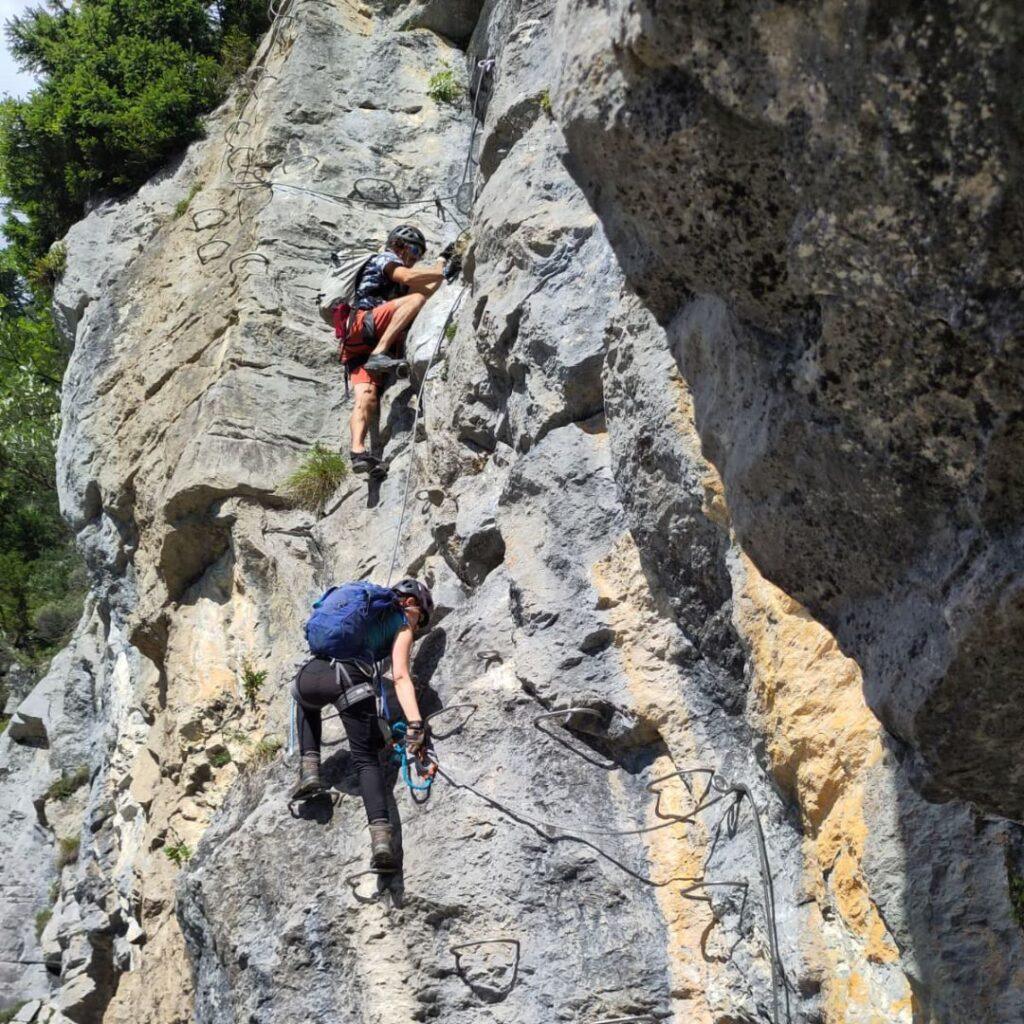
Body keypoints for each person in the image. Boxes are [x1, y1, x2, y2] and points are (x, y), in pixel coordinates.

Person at [291, 578, 434, 871]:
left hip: (310, 676)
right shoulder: (402, 620)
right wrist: (415, 724)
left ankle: (309, 772)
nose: (417, 628)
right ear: (410, 603)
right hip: (349, 681)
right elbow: (400, 675)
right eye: (420, 618)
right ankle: (382, 846)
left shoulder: (364, 610)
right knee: (366, 761)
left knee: (305, 702)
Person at [345, 225, 461, 476]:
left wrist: (444, 269)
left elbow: (426, 288)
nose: (415, 257)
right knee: (415, 300)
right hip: (366, 324)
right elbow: (411, 282)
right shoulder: (385, 258)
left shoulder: (402, 273)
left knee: (367, 396)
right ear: (399, 244)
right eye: (414, 250)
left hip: (358, 346)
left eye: (420, 254)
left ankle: (358, 453)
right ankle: (381, 353)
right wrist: (439, 270)